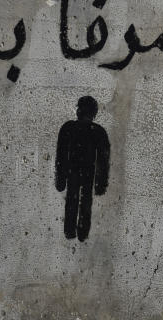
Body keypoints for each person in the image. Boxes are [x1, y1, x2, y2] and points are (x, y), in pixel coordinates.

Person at [55, 96, 110, 241]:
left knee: (74, 201)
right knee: (84, 202)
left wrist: (60, 179)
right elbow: (103, 161)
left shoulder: (70, 128)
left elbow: (61, 155)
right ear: (94, 113)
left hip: (76, 172)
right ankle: (81, 233)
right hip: (85, 173)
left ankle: (73, 232)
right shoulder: (97, 131)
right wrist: (100, 184)